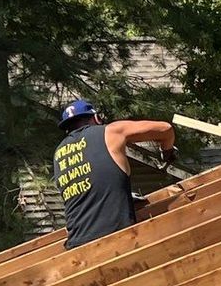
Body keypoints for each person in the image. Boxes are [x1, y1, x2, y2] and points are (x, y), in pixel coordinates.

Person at [51, 99, 177, 249]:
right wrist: (167, 151)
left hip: (77, 247)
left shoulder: (59, 154)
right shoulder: (110, 131)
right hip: (117, 239)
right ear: (96, 118)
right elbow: (165, 129)